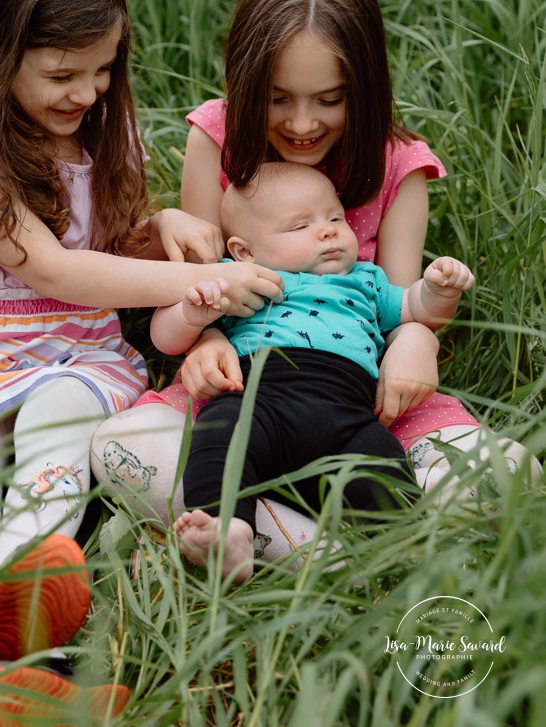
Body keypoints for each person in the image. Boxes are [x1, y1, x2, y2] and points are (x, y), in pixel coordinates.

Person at [0, 0, 283, 727]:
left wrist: (160, 222)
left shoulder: (103, 131)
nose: (87, 92)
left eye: (102, 71)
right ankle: (2, 649)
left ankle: (5, 651)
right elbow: (52, 269)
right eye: (62, 73)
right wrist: (203, 279)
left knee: (59, 427)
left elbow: (97, 252)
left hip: (72, 347)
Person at [91, 0, 540, 562]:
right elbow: (193, 284)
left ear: (364, 88)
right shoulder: (216, 137)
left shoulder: (396, 167)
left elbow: (405, 303)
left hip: (368, 399)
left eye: (329, 99)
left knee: (511, 476)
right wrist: (207, 344)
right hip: (239, 386)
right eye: (278, 99)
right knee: (122, 446)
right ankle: (322, 549)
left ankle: (306, 526)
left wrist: (419, 339)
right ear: (248, 86)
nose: (302, 123)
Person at [152, 162, 475, 581]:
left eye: (335, 217)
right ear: (245, 251)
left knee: (384, 469)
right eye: (300, 225)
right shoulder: (246, 281)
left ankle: (405, 553)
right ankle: (229, 531)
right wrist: (194, 314)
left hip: (348, 416)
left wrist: (437, 289)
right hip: (256, 398)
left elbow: (417, 310)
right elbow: (169, 338)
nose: (328, 230)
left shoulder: (366, 280)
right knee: (219, 436)